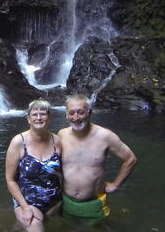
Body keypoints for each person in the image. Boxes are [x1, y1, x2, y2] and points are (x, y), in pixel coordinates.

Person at [57, 93, 137, 225]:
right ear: (66, 115)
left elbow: (130, 159)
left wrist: (116, 185)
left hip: (94, 202)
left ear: (90, 112)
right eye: (71, 113)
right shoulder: (62, 134)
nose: (76, 117)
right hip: (67, 201)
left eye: (80, 112)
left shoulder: (105, 136)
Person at [5, 99, 63, 232]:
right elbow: (10, 180)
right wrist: (25, 208)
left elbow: (65, 171)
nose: (38, 117)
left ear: (49, 117)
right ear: (28, 118)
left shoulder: (57, 141)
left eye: (42, 114)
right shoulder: (18, 142)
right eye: (34, 114)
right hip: (28, 202)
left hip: (54, 203)